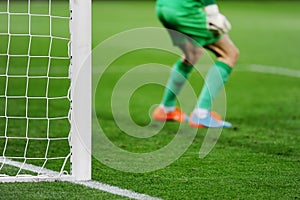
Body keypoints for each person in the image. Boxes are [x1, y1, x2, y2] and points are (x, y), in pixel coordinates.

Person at [152, 0, 239, 128]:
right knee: (229, 54)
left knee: (192, 54)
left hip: (163, 7)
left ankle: (166, 109)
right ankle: (201, 114)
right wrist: (213, 14)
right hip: (184, 10)